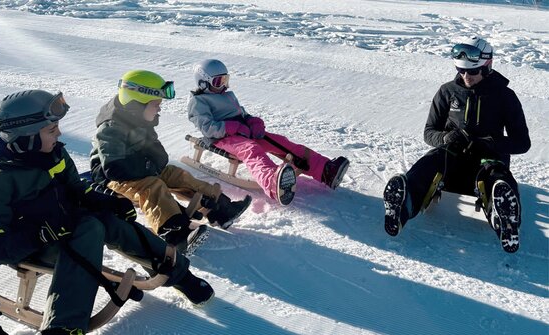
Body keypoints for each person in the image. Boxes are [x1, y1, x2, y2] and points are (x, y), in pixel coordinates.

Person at [0, 90, 215, 335]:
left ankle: (176, 272)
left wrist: (106, 202)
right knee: (90, 227)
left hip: (65, 227)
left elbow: (76, 188)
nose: (60, 133)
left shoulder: (53, 153)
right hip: (31, 247)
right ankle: (64, 326)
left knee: (108, 219)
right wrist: (41, 235)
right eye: (51, 130)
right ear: (27, 138)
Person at [382, 36, 531, 253]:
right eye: (461, 71)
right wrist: (445, 138)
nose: (466, 76)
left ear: (487, 67)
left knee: (496, 176)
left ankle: (505, 221)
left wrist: (490, 142)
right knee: (430, 162)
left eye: (472, 71)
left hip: (487, 156)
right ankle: (402, 205)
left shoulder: (505, 97)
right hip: (453, 154)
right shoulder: (447, 91)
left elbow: (522, 143)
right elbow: (429, 132)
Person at [90, 70, 251, 255]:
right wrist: (147, 167)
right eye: (156, 104)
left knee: (177, 174)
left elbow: (155, 149)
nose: (159, 108)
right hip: (115, 179)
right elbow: (113, 167)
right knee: (153, 187)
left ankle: (221, 209)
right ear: (136, 105)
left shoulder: (140, 118)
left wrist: (154, 161)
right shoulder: (111, 129)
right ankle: (175, 233)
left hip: (141, 168)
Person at [187, 59, 349, 206]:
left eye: (225, 80)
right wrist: (234, 127)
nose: (223, 85)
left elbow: (241, 114)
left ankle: (325, 170)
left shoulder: (226, 95)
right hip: (222, 138)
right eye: (218, 82)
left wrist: (252, 121)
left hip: (243, 130)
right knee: (251, 149)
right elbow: (207, 128)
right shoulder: (198, 101)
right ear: (203, 82)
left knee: (281, 142)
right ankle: (272, 182)